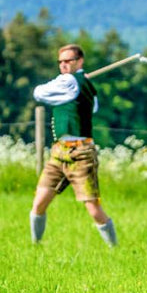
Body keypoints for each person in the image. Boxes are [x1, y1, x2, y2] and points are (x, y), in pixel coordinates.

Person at [30, 44, 117, 247]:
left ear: (80, 61)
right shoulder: (81, 84)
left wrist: (68, 84)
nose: (63, 65)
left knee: (93, 207)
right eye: (60, 61)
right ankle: (35, 245)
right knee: (40, 201)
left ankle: (115, 249)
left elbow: (39, 93)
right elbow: (92, 107)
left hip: (82, 152)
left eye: (68, 61)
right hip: (59, 151)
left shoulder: (69, 81)